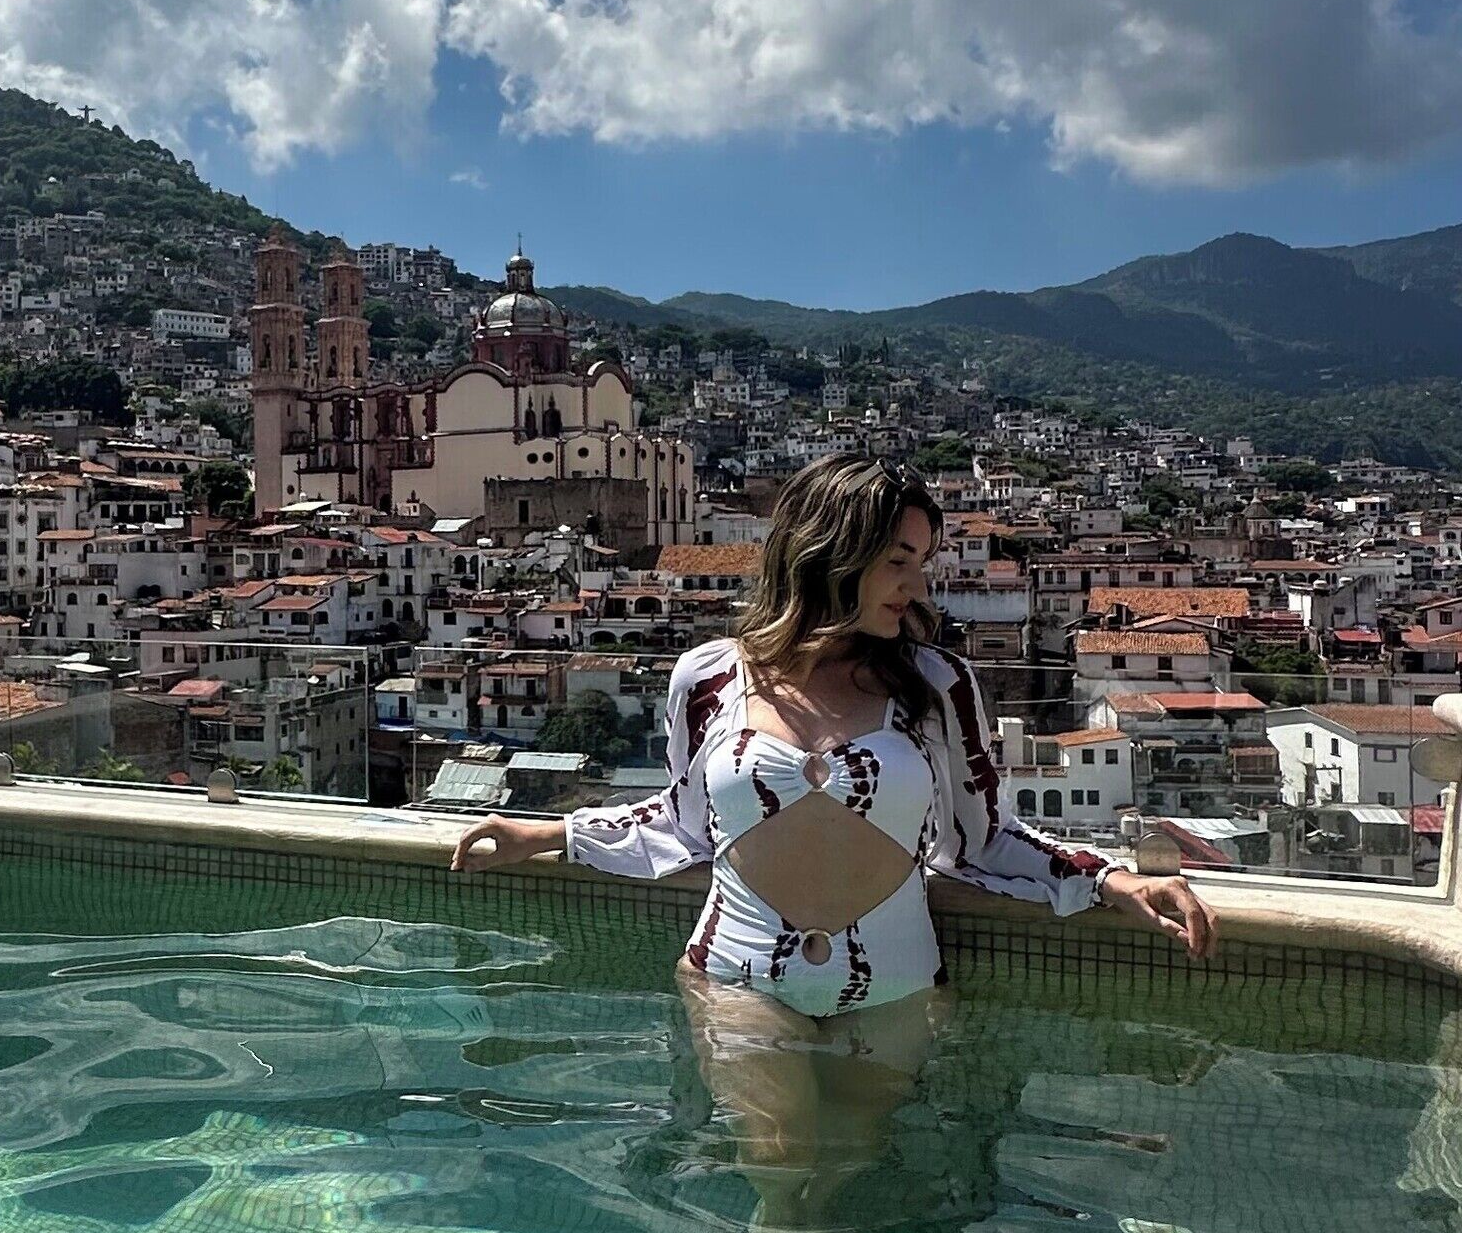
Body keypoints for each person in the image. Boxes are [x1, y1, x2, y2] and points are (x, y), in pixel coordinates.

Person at [451, 454, 1212, 1178]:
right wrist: (553, 832)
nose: (916, 589)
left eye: (922, 564)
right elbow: (685, 821)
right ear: (828, 553)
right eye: (897, 562)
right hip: (738, 978)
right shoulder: (709, 677)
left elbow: (986, 838)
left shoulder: (940, 684)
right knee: (780, 1169)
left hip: (896, 989)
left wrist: (1112, 882)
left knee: (852, 1168)